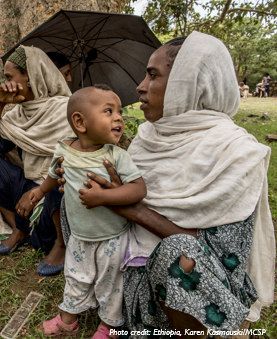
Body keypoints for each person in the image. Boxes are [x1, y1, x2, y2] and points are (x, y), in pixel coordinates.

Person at [56, 33, 274, 336]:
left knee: (178, 255)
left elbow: (226, 254)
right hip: (128, 281)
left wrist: (127, 206)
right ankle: (100, 303)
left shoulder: (236, 152)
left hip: (189, 290)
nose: (140, 86)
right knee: (76, 200)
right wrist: (92, 188)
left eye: (153, 75)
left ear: (188, 83)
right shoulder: (148, 136)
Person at [35, 85, 146, 338]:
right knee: (75, 276)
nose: (119, 117)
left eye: (120, 111)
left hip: (113, 237)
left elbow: (139, 189)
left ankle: (110, 327)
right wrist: (40, 192)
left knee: (110, 284)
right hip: (79, 235)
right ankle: (68, 319)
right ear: (80, 122)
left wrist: (104, 196)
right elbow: (54, 175)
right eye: (109, 111)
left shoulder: (117, 156)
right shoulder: (63, 149)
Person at [0, 45, 71, 276]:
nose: (5, 82)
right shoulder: (18, 113)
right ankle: (20, 230)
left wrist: (41, 191)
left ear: (30, 76)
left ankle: (61, 244)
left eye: (9, 77)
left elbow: (73, 160)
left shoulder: (65, 109)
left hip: (54, 194)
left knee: (62, 177)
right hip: (28, 187)